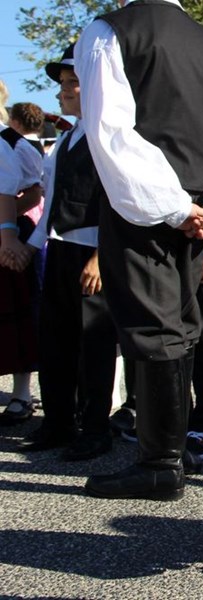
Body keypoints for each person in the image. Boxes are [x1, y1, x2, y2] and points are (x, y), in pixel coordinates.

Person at [74, 0, 203, 500]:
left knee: (155, 329)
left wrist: (177, 208)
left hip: (146, 208)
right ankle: (169, 453)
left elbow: (110, 132)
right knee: (178, 326)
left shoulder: (109, 32)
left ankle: (160, 463)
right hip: (196, 208)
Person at [15, 44, 119, 461]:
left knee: (94, 345)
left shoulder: (108, 134)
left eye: (72, 83)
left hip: (90, 252)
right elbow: (54, 201)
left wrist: (101, 254)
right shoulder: (67, 138)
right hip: (60, 249)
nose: (63, 92)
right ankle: (58, 422)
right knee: (55, 339)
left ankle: (95, 429)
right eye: (62, 84)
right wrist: (31, 247)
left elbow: (116, 201)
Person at [0, 86, 44, 426]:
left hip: (8, 235)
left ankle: (21, 394)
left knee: (15, 314)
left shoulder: (13, 143)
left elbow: (34, 191)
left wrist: (7, 230)